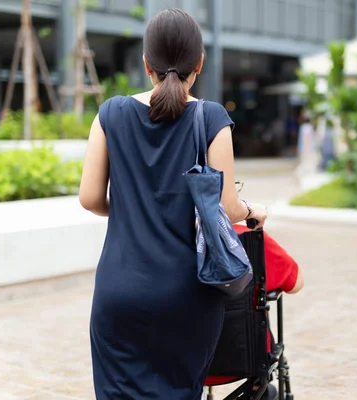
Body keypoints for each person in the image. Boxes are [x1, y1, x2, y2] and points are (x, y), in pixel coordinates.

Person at [78, 8, 268, 400]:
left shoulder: (109, 113)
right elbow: (228, 209)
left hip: (119, 294)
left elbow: (91, 198)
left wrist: (134, 206)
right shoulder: (211, 118)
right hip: (187, 298)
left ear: (146, 64)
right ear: (199, 64)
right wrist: (253, 210)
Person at [205, 224, 303, 399]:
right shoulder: (248, 237)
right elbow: (296, 283)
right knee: (259, 304)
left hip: (173, 361)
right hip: (244, 359)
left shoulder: (161, 239)